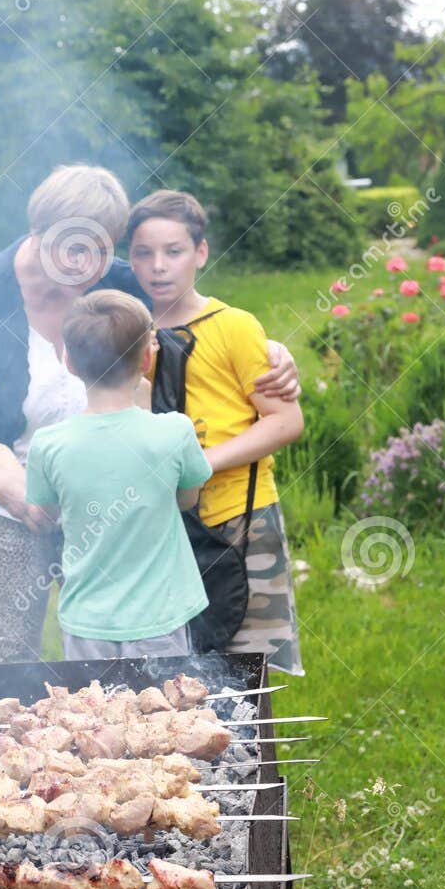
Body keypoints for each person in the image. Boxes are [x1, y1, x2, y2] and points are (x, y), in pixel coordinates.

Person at [0, 164, 299, 670]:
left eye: (103, 248)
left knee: (130, 637)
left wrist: (274, 352)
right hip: (12, 500)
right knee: (9, 650)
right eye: (73, 248)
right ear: (38, 233)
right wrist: (17, 494)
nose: (88, 266)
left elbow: (205, 321)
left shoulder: (120, 282)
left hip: (115, 495)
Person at [127, 189, 306, 674]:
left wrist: (202, 464)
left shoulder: (235, 327)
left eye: (174, 251)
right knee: (174, 671)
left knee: (248, 669)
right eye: (144, 253)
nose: (158, 266)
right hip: (162, 528)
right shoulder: (127, 332)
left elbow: (286, 420)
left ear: (200, 253)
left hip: (240, 519)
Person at [23, 291, 212, 659]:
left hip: (86, 624)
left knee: (95, 715)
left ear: (70, 362)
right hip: (161, 618)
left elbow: (44, 516)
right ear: (147, 358)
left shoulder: (48, 444)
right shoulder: (175, 432)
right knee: (163, 714)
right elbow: (188, 498)